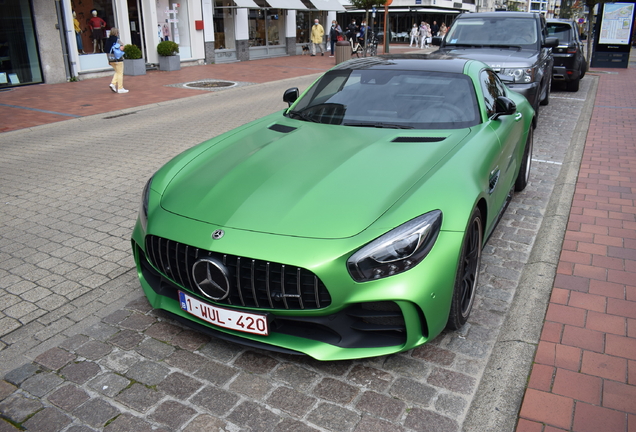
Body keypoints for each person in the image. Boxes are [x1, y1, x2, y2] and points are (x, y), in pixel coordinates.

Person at [107, 29, 128, 94]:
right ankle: (120, 88)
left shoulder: (107, 40)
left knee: (117, 72)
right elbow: (122, 48)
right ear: (117, 33)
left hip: (111, 59)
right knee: (120, 73)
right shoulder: (117, 40)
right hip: (118, 59)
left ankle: (113, 84)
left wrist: (108, 60)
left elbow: (106, 51)